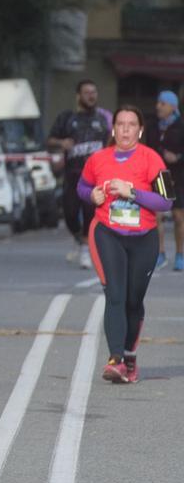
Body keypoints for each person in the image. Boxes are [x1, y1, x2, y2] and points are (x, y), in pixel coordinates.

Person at [79, 105, 171, 384]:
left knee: (133, 300)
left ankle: (129, 356)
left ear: (140, 130)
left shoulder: (151, 159)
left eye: (132, 124)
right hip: (107, 232)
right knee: (115, 294)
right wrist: (91, 196)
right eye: (121, 124)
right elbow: (81, 187)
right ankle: (115, 359)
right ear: (114, 129)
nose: (126, 129)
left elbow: (166, 201)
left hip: (144, 238)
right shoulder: (97, 159)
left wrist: (133, 192)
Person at [48, 79, 112, 269]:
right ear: (78, 96)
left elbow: (111, 143)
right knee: (69, 213)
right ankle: (78, 238)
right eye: (87, 92)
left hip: (94, 177)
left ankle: (85, 249)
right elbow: (50, 140)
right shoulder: (67, 118)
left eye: (94, 92)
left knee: (90, 211)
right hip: (72, 174)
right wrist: (61, 144)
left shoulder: (103, 120)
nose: (91, 96)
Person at [146, 90, 184, 270]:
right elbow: (148, 149)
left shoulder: (181, 125)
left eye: (162, 104)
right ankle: (160, 253)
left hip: (179, 177)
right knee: (155, 216)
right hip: (160, 176)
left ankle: (180, 254)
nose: (158, 107)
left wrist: (177, 157)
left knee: (178, 217)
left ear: (173, 106)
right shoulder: (153, 126)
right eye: (158, 103)